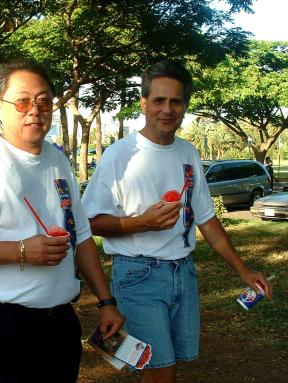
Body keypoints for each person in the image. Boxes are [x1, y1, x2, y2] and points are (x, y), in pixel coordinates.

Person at [0, 59, 123, 383]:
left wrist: (106, 302)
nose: (35, 109)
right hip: (2, 330)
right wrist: (21, 250)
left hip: (59, 325)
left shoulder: (57, 159)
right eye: (22, 101)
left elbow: (84, 238)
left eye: (44, 100)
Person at [81, 59, 272, 383]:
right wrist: (138, 223)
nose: (167, 109)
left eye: (176, 101)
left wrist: (244, 270)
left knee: (163, 368)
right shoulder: (119, 155)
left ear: (184, 106)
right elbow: (89, 223)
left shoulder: (188, 153)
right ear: (144, 103)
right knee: (160, 372)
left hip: (183, 273)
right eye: (159, 100)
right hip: (138, 275)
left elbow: (207, 221)